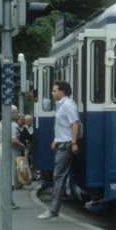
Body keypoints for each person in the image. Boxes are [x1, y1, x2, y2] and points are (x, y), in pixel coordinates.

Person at [39, 81, 81, 220]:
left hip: (67, 145)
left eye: (54, 90)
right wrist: (57, 139)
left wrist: (73, 142)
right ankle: (53, 208)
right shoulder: (62, 104)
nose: (52, 93)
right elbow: (64, 125)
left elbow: (75, 123)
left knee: (58, 176)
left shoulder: (68, 105)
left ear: (62, 92)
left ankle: (53, 209)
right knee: (59, 175)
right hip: (62, 143)